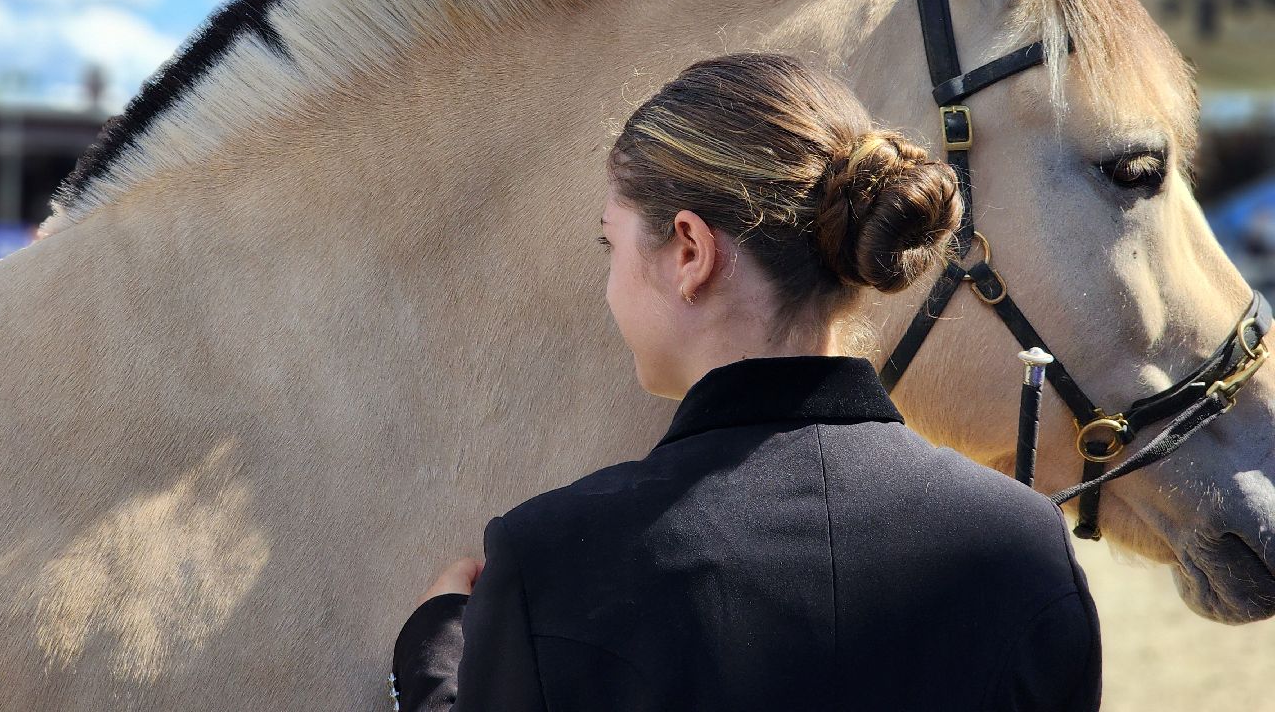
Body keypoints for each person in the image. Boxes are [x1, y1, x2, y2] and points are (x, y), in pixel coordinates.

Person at [389, 51, 1101, 711]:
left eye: (611, 242)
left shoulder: (551, 563)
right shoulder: (1023, 543)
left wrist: (434, 661)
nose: (608, 281)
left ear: (691, 252)